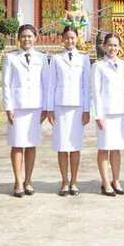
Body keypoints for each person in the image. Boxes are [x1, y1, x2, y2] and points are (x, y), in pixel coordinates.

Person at [1, 24, 49, 198]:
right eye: (23, 36)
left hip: (35, 107)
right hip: (17, 107)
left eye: (30, 36)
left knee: (31, 145)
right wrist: (8, 107)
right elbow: (6, 84)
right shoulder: (10, 57)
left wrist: (46, 107)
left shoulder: (42, 58)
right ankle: (18, 181)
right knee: (17, 145)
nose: (27, 39)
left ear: (35, 38)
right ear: (18, 38)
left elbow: (46, 84)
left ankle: (28, 180)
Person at [45, 26, 91, 196]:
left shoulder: (84, 58)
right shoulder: (56, 59)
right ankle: (64, 181)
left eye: (72, 38)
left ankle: (74, 182)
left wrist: (87, 109)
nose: (70, 41)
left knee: (75, 146)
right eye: (67, 38)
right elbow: (51, 85)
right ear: (62, 39)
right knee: (62, 146)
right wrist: (50, 109)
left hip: (78, 107)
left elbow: (86, 86)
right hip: (60, 107)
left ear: (77, 39)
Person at [91, 33, 124, 196]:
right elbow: (95, 92)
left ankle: (116, 180)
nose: (112, 48)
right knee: (104, 148)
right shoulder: (98, 66)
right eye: (109, 45)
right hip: (105, 114)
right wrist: (98, 115)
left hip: (120, 112)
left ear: (119, 47)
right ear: (104, 46)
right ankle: (105, 182)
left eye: (115, 45)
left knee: (116, 148)